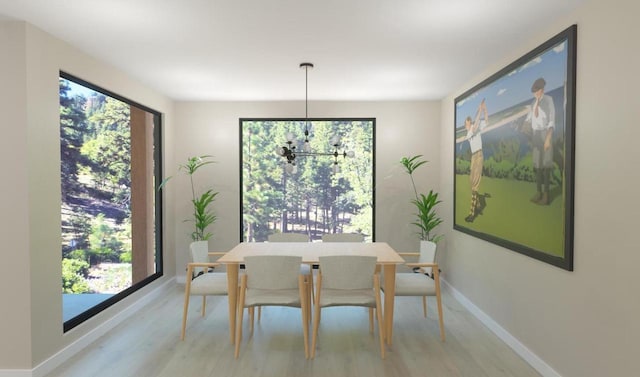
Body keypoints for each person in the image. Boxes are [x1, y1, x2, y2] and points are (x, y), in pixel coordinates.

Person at [526, 77, 555, 205]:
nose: (536, 94)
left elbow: (552, 120)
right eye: (534, 92)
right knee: (537, 166)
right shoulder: (533, 104)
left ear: (542, 90)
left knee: (546, 166)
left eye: (537, 91)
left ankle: (546, 195)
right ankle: (539, 192)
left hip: (545, 133)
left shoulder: (549, 100)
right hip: (536, 135)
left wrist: (548, 138)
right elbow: (530, 119)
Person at [464, 99, 488, 222]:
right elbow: (476, 125)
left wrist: (483, 109)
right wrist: (479, 110)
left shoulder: (475, 127)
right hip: (474, 157)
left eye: (469, 123)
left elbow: (486, 121)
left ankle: (472, 213)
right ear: (466, 126)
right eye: (468, 124)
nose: (469, 125)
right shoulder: (469, 133)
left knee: (475, 183)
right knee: (472, 182)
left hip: (479, 155)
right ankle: (478, 206)